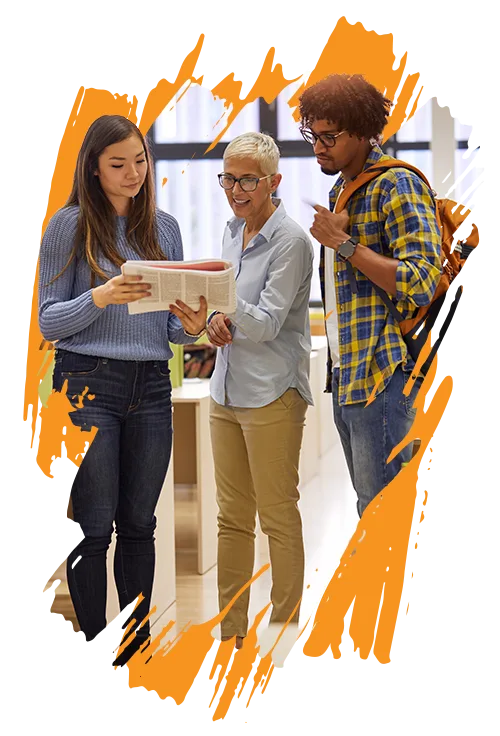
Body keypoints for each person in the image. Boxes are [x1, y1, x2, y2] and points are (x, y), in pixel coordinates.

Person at [38, 114, 207, 663]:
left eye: (140, 160)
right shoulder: (69, 225)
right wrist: (102, 296)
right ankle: (93, 641)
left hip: (152, 386)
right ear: (92, 168)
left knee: (139, 523)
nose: (133, 173)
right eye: (118, 164)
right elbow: (48, 321)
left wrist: (194, 320)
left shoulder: (166, 228)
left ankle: (137, 644)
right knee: (92, 526)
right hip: (88, 384)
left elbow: (173, 332)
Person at [173, 132, 314, 651]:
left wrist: (222, 310)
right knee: (232, 518)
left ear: (274, 181)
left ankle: (284, 631)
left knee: (278, 514)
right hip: (226, 390)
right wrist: (210, 317)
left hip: (273, 393)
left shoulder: (292, 241)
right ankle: (233, 633)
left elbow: (271, 322)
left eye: (247, 179)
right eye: (228, 178)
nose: (235, 189)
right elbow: (225, 309)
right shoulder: (233, 232)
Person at [297, 74, 442, 518]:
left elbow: (422, 279)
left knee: (386, 517)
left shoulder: (395, 185)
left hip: (386, 371)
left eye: (329, 136)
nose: (318, 147)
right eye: (312, 135)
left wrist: (344, 245)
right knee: (371, 509)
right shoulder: (341, 190)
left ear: (361, 130)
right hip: (349, 375)